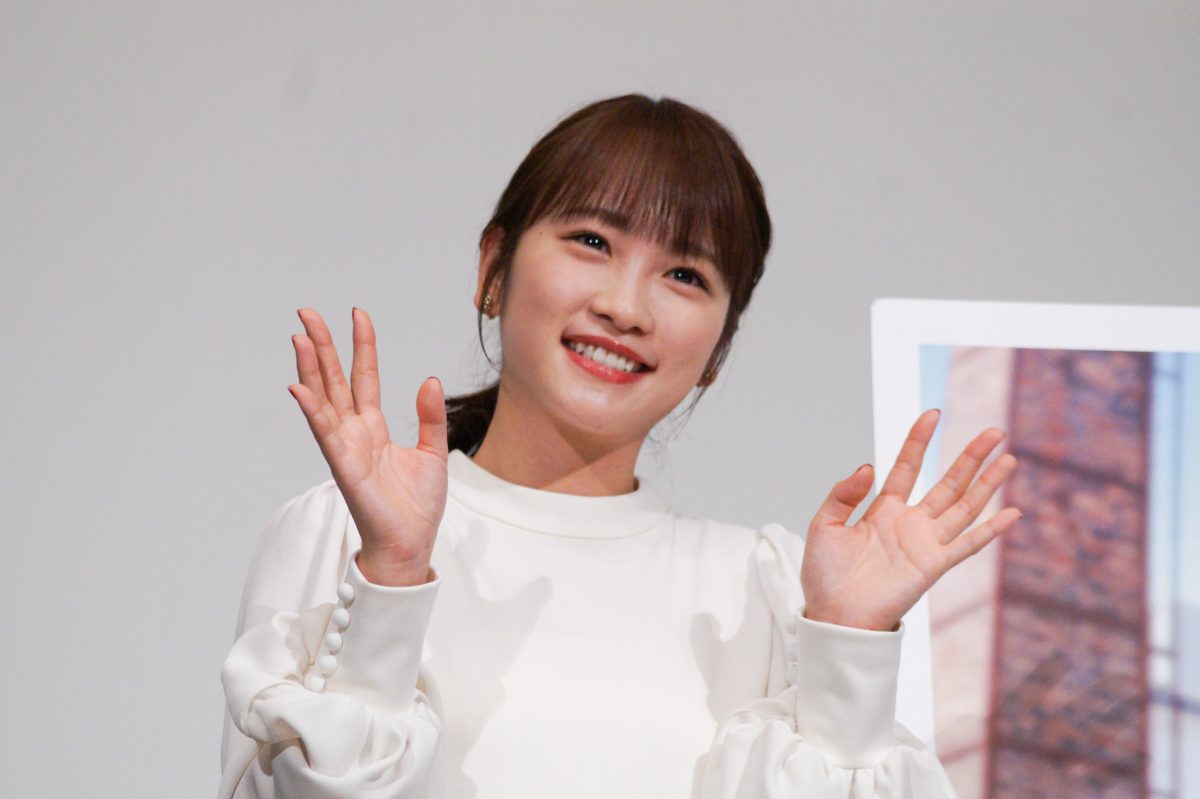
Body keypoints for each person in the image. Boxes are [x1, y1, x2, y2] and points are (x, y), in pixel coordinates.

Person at [219, 94, 1021, 798]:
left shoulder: (766, 588)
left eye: (685, 276)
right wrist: (392, 577)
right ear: (494, 268)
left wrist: (848, 641)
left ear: (719, 349)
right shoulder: (342, 533)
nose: (626, 307)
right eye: (593, 242)